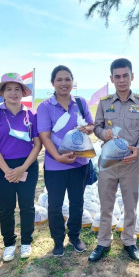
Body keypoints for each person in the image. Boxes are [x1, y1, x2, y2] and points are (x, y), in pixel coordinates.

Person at [88, 58, 139, 262]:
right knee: (106, 204)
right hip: (108, 163)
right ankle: (103, 242)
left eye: (126, 75)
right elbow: (96, 127)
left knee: (130, 204)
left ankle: (129, 241)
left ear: (132, 76)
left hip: (130, 163)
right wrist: (102, 133)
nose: (122, 80)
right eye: (118, 76)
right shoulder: (105, 102)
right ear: (112, 78)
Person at [37, 65, 94, 257]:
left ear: (72, 82)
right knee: (55, 204)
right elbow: (44, 137)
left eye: (67, 79)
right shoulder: (45, 107)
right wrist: (58, 157)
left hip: (80, 163)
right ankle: (58, 241)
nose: (64, 83)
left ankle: (75, 237)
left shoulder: (80, 102)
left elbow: (91, 124)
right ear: (52, 83)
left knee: (77, 202)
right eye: (59, 79)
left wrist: (88, 128)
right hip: (55, 165)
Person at [0, 73, 42, 262]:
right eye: (9, 89)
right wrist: (8, 171)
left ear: (23, 92)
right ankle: (9, 244)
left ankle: (26, 242)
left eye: (17, 89)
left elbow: (37, 145)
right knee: (6, 208)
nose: (13, 93)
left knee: (27, 206)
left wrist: (23, 168)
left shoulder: (32, 114)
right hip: (3, 168)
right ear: (2, 92)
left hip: (28, 165)